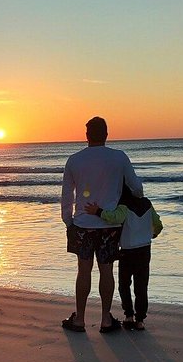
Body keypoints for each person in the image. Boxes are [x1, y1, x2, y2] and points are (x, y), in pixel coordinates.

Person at [60, 117, 144, 333]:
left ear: (87, 135)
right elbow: (137, 188)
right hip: (108, 224)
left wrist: (68, 221)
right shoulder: (119, 157)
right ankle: (106, 319)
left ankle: (80, 319)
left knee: (83, 271)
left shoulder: (74, 160)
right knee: (107, 271)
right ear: (106, 134)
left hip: (82, 224)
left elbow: (67, 196)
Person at [85, 183, 162, 331]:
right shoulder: (147, 203)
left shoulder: (124, 206)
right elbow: (158, 223)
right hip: (145, 249)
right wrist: (153, 234)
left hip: (127, 250)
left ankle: (128, 315)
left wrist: (98, 211)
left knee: (124, 284)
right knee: (141, 285)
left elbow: (114, 218)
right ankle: (140, 320)